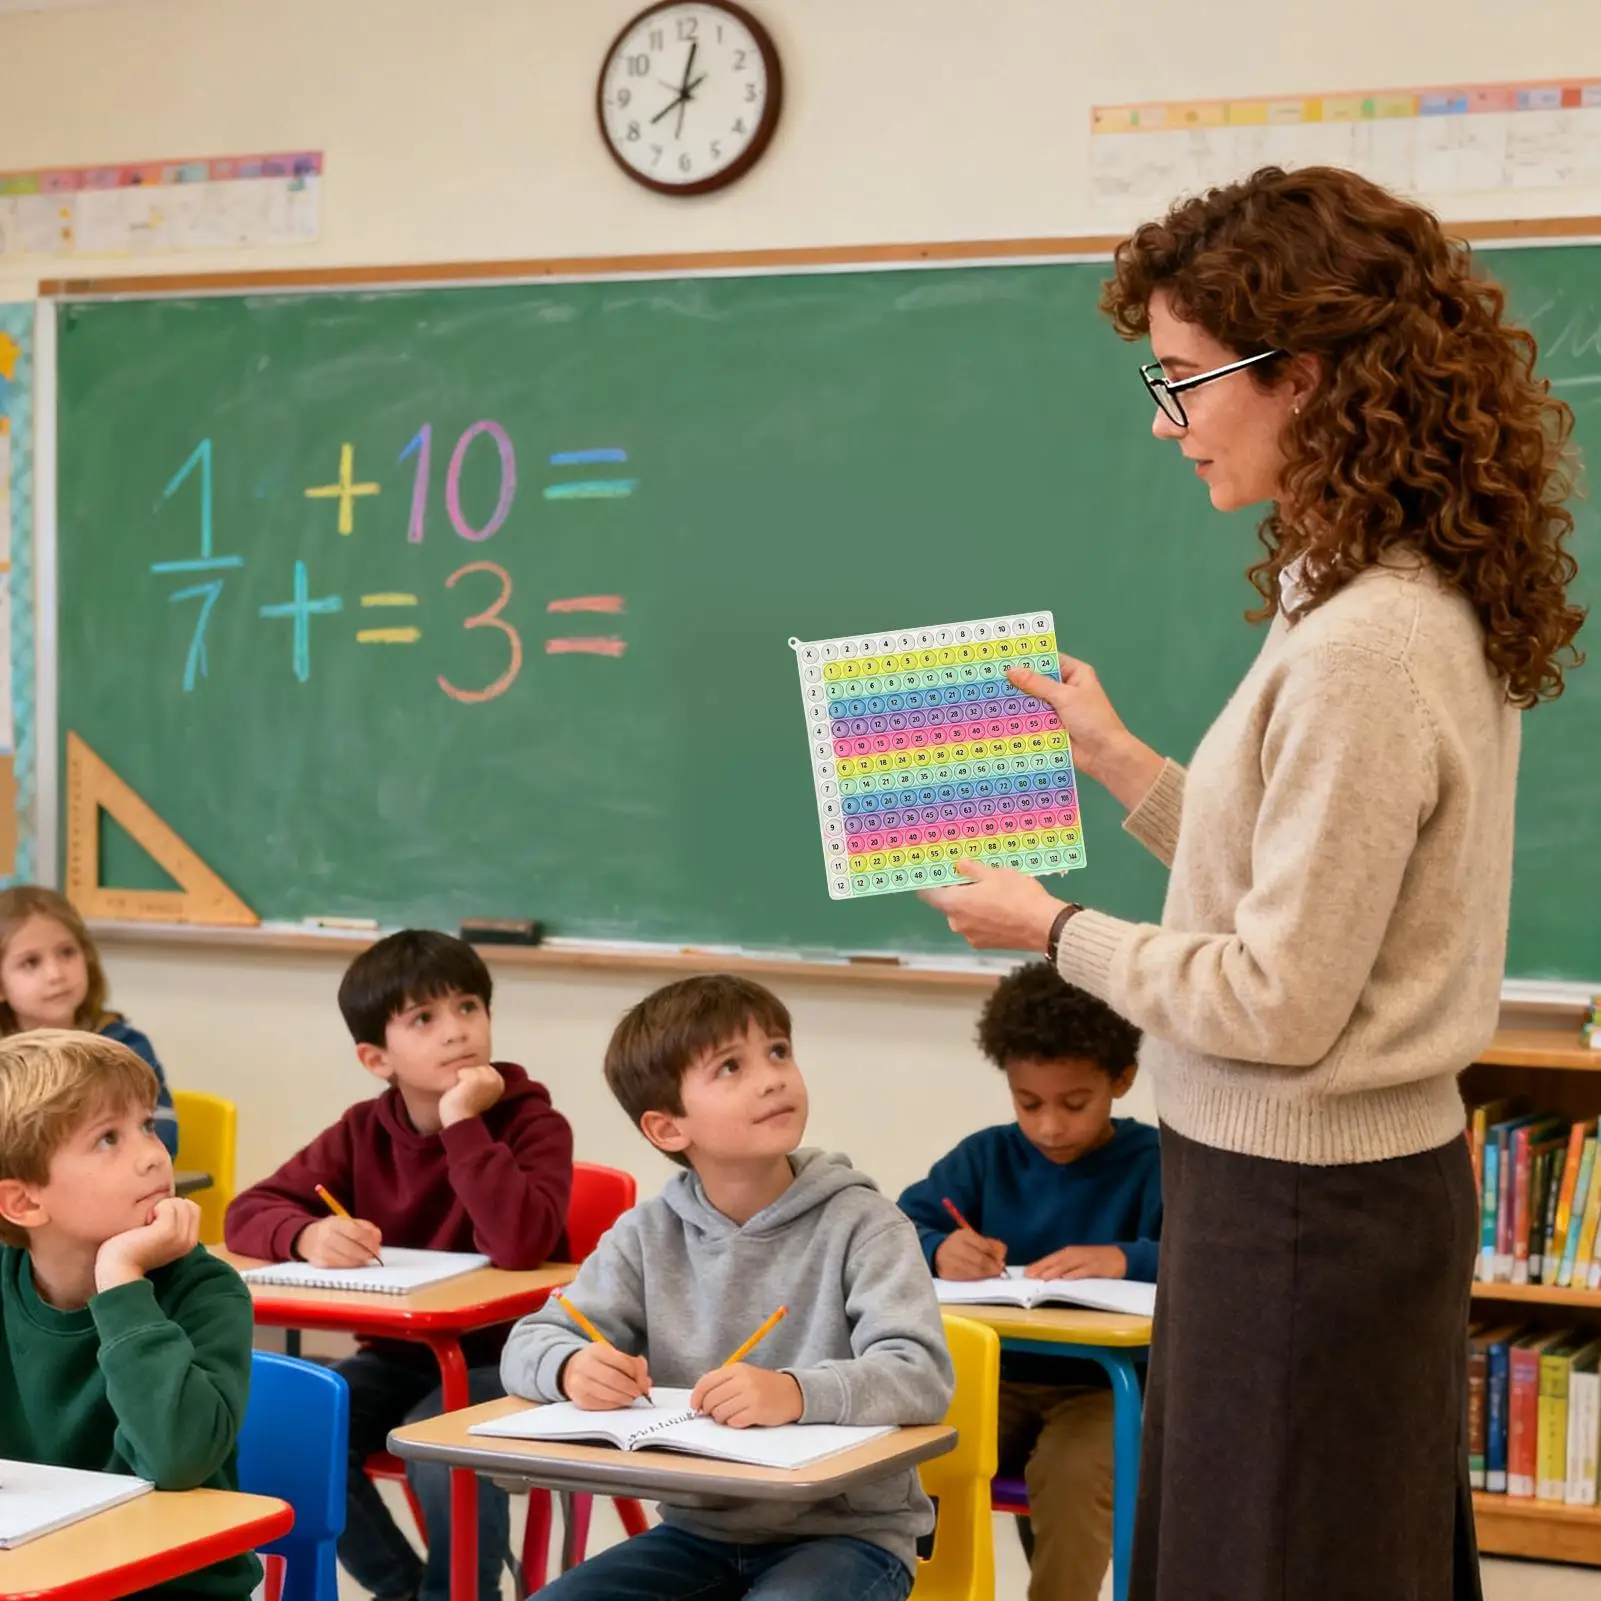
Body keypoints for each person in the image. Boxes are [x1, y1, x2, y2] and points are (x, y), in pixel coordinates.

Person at [921, 164, 1583, 1601]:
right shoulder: (1364, 594)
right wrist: (1120, 763)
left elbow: (1280, 995)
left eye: (1183, 381)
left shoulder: (1365, 645)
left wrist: (1051, 928)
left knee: (1275, 1561)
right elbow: (1308, 887)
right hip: (1306, 1193)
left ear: (1306, 374)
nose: (1165, 423)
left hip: (1304, 1210)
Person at [501, 973, 954, 1601]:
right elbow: (530, 1341)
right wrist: (571, 1367)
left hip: (849, 1537)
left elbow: (920, 1376)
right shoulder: (646, 1235)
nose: (772, 1078)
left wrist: (795, 1393)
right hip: (698, 1534)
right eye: (731, 1067)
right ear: (667, 1129)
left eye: (778, 1051)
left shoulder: (865, 1224)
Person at [225, 929, 574, 1601]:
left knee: (437, 1448)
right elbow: (249, 1210)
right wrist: (305, 1234)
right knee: (290, 1432)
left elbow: (520, 1245)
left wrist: (462, 1123)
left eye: (469, 1006)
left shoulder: (532, 1124)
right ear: (375, 1057)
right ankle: (404, 1590)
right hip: (400, 1353)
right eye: (423, 1018)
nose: (457, 1030)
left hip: (511, 1358)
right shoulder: (363, 1130)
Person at [898, 961, 1158, 1601]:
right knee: (909, 1456)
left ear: (1122, 1080)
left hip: (1107, 1391)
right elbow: (897, 1229)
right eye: (1028, 1103)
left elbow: (1211, 1257)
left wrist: (1126, 1259)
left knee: (1072, 1477)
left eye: (1075, 1104)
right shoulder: (985, 1157)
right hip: (998, 1379)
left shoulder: (1157, 1163)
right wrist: (938, 1248)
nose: (1049, 1127)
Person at [0, 1029, 257, 1601]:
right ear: (24, 1201)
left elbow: (177, 1458)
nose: (153, 1154)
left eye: (146, 1125)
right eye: (107, 1139)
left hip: (173, 1588)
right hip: (34, 1576)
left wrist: (120, 1278)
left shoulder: (205, 1290)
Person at [0, 885, 178, 1155]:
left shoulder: (124, 1047)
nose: (56, 974)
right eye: (31, 962)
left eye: (67, 952)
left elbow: (162, 1134)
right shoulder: (6, 1062)